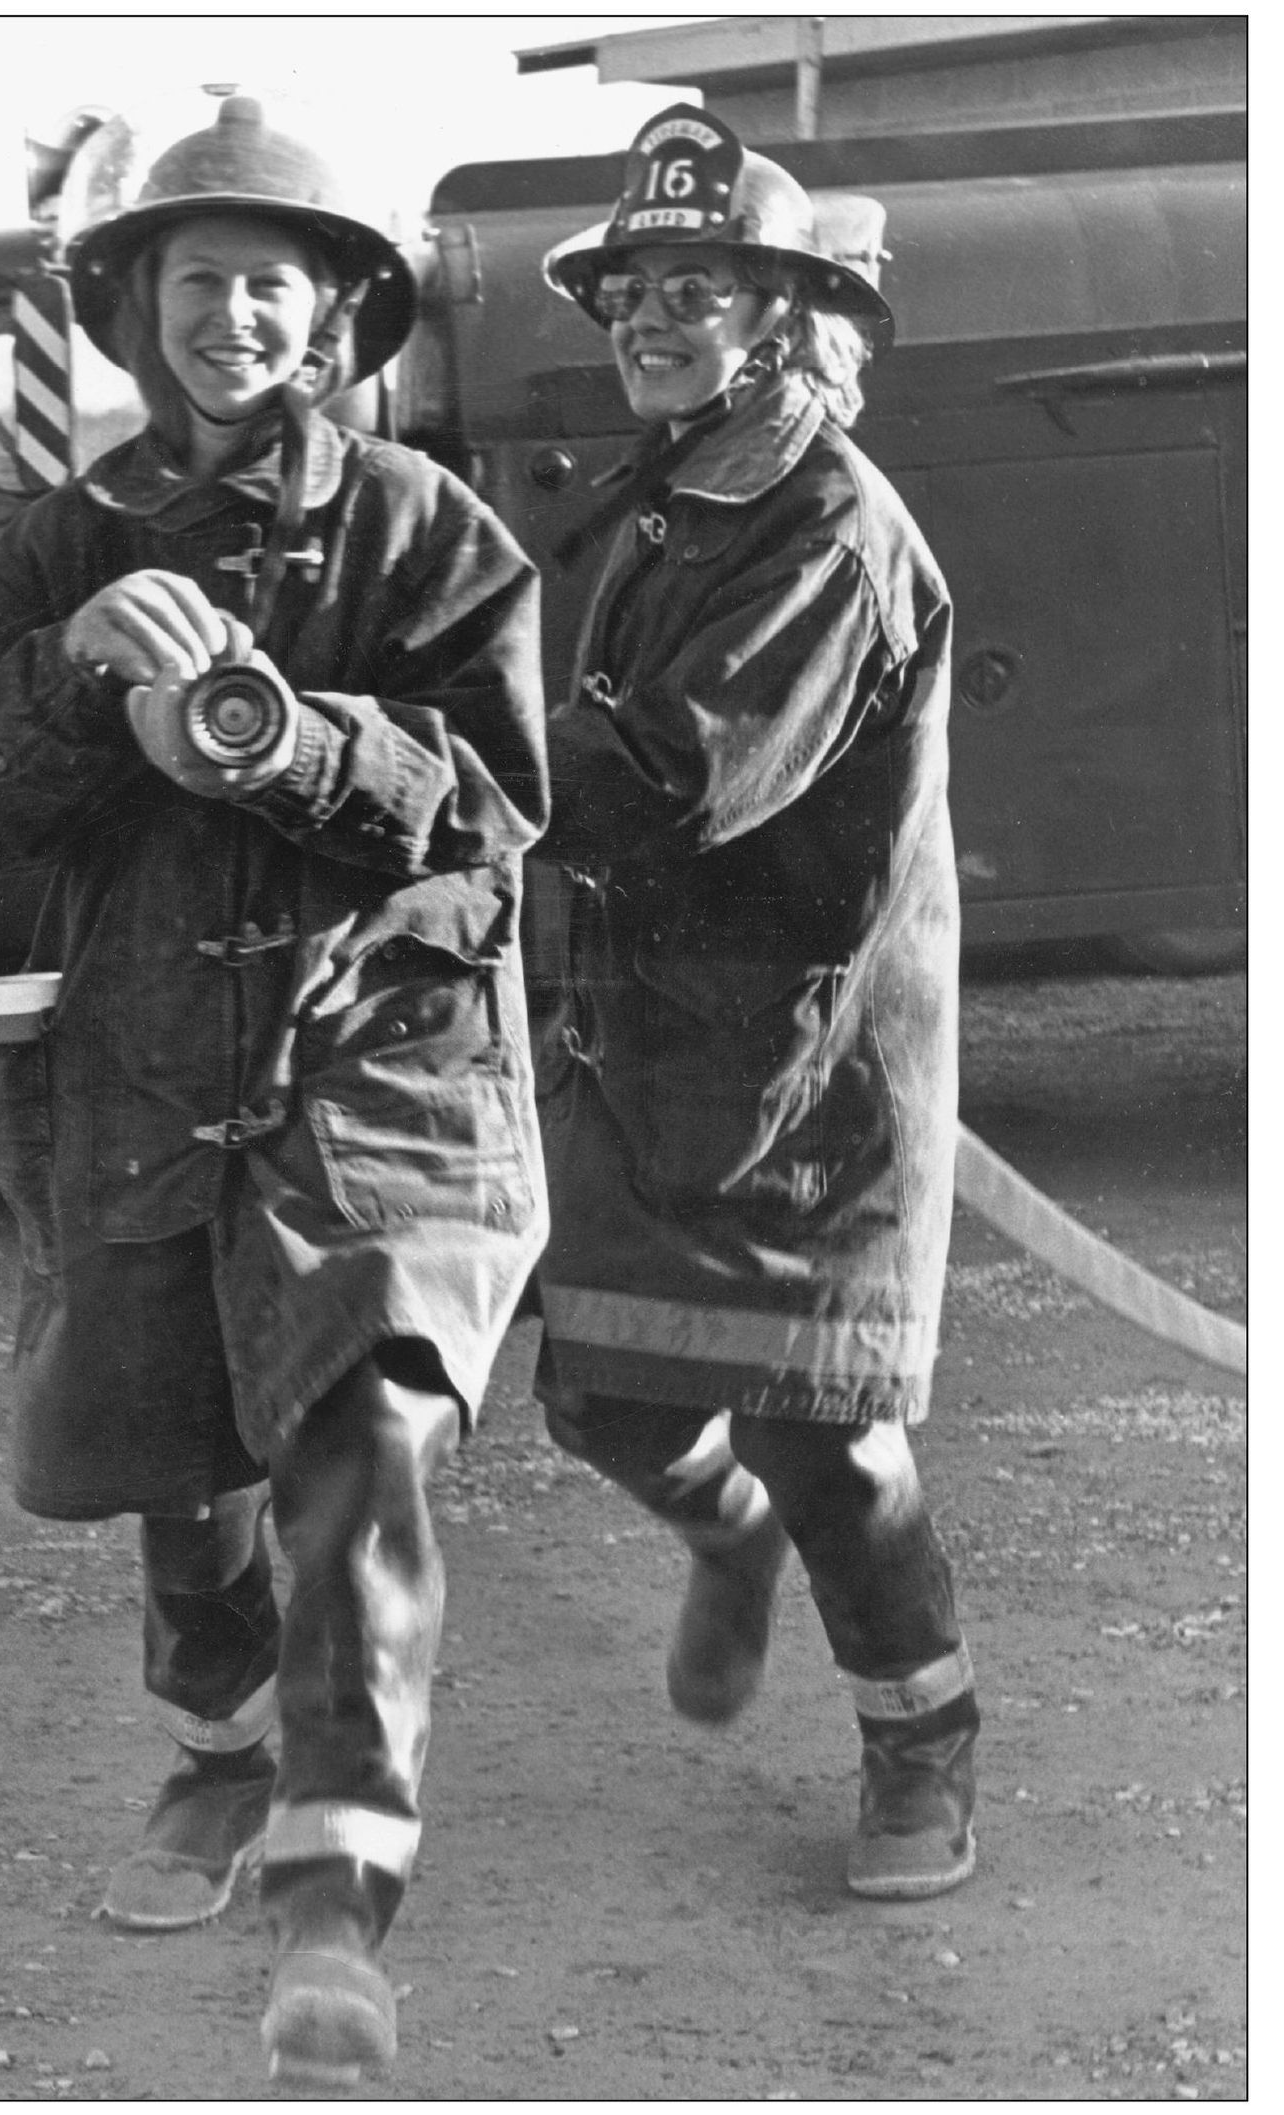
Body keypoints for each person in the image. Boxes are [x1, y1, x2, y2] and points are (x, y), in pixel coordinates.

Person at [0, 95, 548, 2086]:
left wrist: (292, 747)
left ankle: (333, 1898)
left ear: (332, 310)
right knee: (176, 1462)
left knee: (364, 1438)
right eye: (197, 282)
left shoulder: (434, 533)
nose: (233, 318)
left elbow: (499, 804)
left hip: (379, 1066)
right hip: (145, 1058)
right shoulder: (63, 543)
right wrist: (79, 665)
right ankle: (214, 1748)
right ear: (137, 309)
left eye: (272, 282)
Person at [530, 104, 979, 1900]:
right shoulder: (672, 496)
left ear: (784, 317)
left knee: (827, 1432)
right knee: (602, 1400)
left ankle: (921, 1748)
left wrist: (417, 767)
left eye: (697, 286)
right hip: (657, 1046)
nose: (653, 316)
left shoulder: (823, 530)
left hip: (811, 1070)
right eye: (634, 287)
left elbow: (674, 779)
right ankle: (725, 1543)